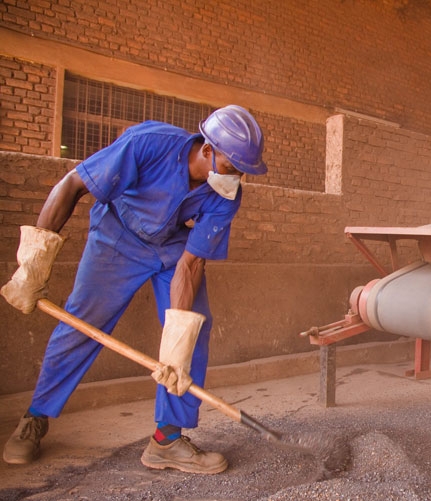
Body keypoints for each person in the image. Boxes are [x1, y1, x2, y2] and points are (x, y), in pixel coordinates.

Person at [1, 105, 267, 474]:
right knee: (81, 323)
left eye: (243, 171)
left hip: (175, 248)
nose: (237, 178)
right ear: (207, 150)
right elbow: (73, 184)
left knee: (193, 330)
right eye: (233, 166)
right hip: (117, 237)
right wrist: (33, 264)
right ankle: (35, 417)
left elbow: (190, 264)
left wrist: (176, 348)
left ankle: (167, 440)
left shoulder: (226, 196)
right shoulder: (148, 144)